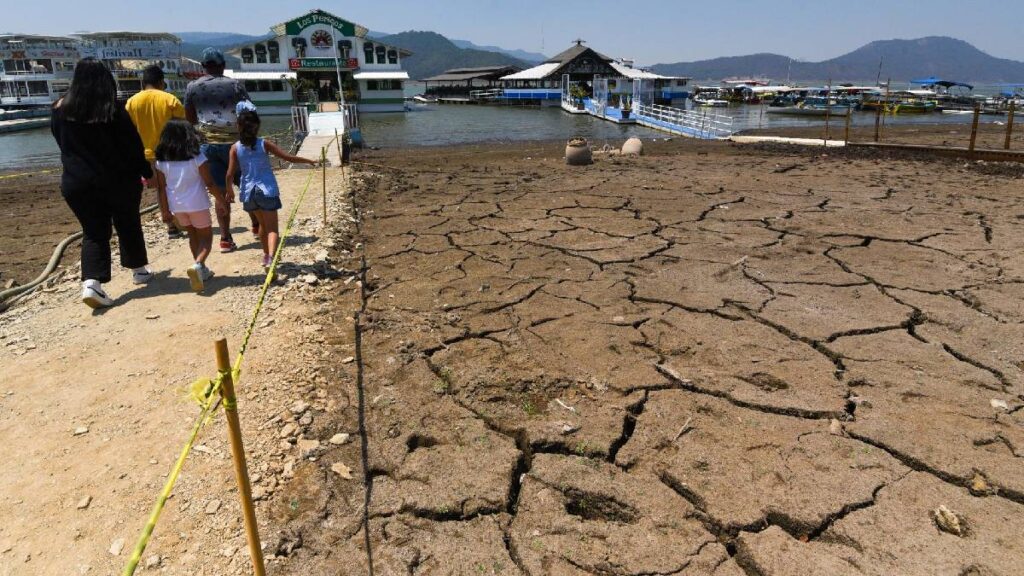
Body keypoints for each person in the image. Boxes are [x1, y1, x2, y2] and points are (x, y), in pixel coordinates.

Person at [50, 58, 153, 309]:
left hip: (77, 182)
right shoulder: (113, 109)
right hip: (118, 180)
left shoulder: (60, 108)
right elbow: (132, 146)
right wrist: (146, 171)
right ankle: (139, 270)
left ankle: (91, 284)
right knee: (127, 222)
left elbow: (60, 141)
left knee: (94, 232)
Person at [226, 103, 316, 269]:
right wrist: (309, 161)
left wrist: (229, 191)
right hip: (266, 190)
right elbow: (288, 158)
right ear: (257, 127)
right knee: (273, 229)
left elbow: (230, 174)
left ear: (238, 127)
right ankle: (272, 259)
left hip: (249, 193)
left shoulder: (234, 148)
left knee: (262, 226)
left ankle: (266, 256)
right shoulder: (263, 144)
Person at [183, 47, 257, 253]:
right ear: (223, 65)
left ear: (204, 67)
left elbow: (190, 118)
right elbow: (249, 113)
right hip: (236, 145)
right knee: (247, 185)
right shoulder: (235, 85)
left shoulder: (192, 87)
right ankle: (257, 226)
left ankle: (225, 239)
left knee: (220, 193)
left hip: (208, 147)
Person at [154, 119, 225, 293]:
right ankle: (198, 264)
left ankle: (201, 269)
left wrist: (164, 211)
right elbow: (209, 182)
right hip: (197, 203)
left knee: (192, 236)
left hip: (177, 206)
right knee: (206, 238)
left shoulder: (160, 162)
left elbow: (161, 188)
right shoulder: (197, 157)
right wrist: (221, 200)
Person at [125, 64, 186, 240]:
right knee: (175, 188)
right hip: (171, 153)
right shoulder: (170, 100)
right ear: (161, 82)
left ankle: (170, 226)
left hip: (146, 155)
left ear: (143, 82)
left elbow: (129, 132)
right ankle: (182, 220)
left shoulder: (131, 102)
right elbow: (183, 128)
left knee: (160, 189)